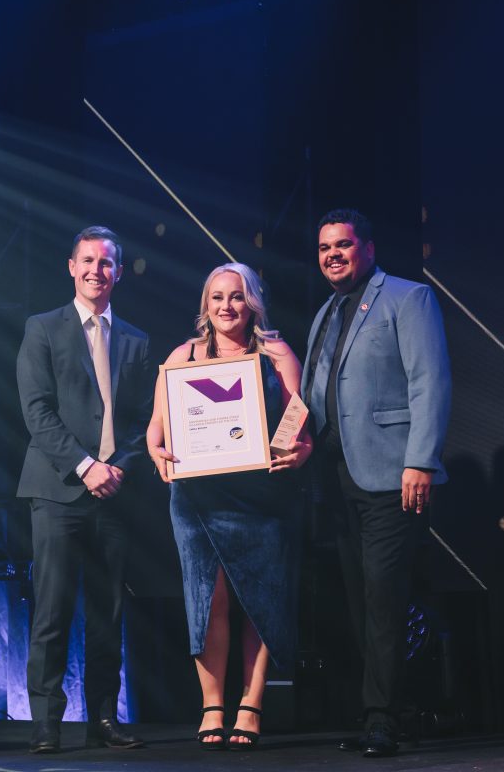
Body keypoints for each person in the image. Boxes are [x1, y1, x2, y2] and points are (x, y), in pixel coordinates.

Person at [303, 209, 451, 757]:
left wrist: (422, 460)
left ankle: (382, 718)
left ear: (367, 247)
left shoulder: (407, 299)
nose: (332, 255)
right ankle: (393, 711)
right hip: (338, 479)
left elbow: (429, 382)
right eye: (324, 248)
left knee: (384, 599)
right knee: (361, 601)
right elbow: (316, 393)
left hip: (394, 476)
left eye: (342, 245)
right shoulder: (325, 312)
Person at [147, 263, 312, 750]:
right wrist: (159, 453)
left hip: (261, 495)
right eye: (217, 297)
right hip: (197, 498)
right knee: (208, 601)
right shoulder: (184, 355)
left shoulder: (276, 353)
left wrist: (299, 451)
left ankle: (252, 705)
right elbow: (156, 429)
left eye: (236, 297)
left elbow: (297, 420)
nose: (226, 306)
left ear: (252, 302)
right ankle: (212, 706)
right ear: (205, 305)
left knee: (259, 601)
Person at [16, 226, 153, 753]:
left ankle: (102, 718)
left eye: (107, 262)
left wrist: (117, 467)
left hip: (114, 493)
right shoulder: (43, 328)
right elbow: (37, 411)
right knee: (52, 610)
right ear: (71, 267)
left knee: (107, 613)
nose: (97, 269)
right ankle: (46, 723)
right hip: (57, 490)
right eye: (88, 260)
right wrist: (84, 466)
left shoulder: (137, 341)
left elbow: (146, 421)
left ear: (119, 271)